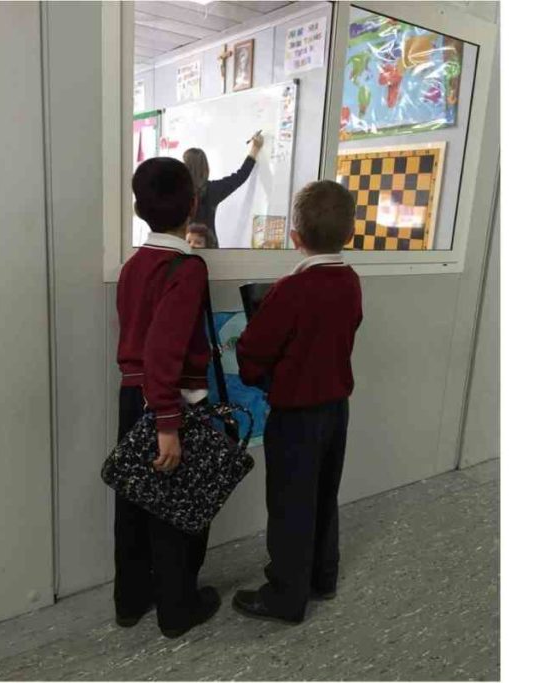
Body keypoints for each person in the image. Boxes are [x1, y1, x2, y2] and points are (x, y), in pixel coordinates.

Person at [232, 180, 363, 624]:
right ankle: (323, 576)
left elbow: (253, 349)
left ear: (295, 236)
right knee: (325, 494)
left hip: (295, 416)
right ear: (348, 233)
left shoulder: (290, 289)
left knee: (290, 504)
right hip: (336, 411)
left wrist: (258, 375)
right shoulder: (350, 281)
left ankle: (286, 596)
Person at [114, 157, 221, 638]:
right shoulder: (187, 267)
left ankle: (131, 600)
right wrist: (167, 422)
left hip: (132, 395)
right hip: (169, 402)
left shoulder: (135, 264)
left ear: (139, 209)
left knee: (135, 502)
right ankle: (178, 609)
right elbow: (165, 349)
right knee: (178, 509)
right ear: (194, 204)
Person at [183, 132, 264, 248]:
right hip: (209, 247)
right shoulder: (213, 190)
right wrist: (255, 149)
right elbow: (240, 176)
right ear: (205, 168)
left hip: (184, 246)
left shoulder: (178, 192)